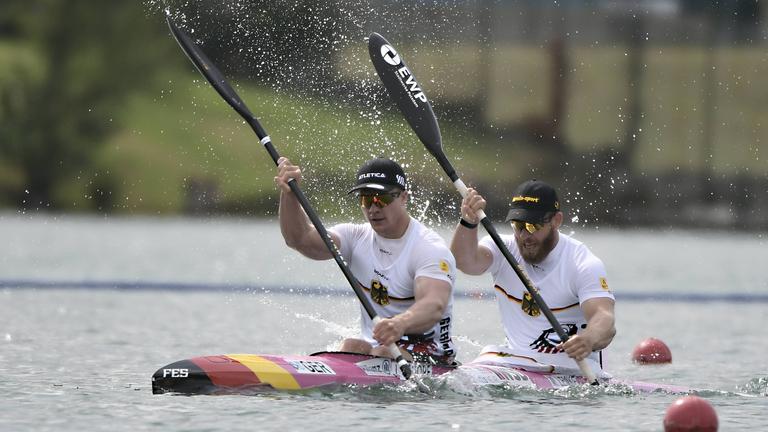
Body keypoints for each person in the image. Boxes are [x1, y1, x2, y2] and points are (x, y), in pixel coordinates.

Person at [275, 156, 457, 364]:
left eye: (382, 199)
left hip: (431, 352)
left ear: (403, 198)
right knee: (351, 346)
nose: (373, 208)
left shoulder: (428, 248)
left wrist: (399, 324)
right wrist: (289, 195)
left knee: (382, 354)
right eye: (366, 200)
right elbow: (300, 239)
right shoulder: (355, 237)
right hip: (379, 346)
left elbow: (434, 305)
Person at [450, 179, 615, 373]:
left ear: (556, 221)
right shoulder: (503, 248)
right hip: (517, 363)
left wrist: (588, 339)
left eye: (532, 226)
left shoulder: (582, 263)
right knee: (489, 353)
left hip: (572, 369)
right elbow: (464, 262)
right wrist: (468, 222)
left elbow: (604, 318)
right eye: (518, 225)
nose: (524, 236)